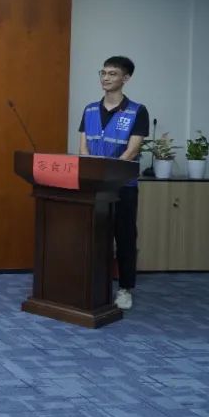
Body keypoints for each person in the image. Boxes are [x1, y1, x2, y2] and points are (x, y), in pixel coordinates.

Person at [78, 55, 149, 311]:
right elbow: (83, 147)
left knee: (125, 237)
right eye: (103, 73)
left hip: (122, 187)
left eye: (112, 74)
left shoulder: (136, 111)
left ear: (125, 78)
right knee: (96, 237)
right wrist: (93, 177)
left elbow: (132, 150)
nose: (106, 78)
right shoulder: (89, 110)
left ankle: (125, 288)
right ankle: (95, 284)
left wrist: (109, 176)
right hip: (94, 188)